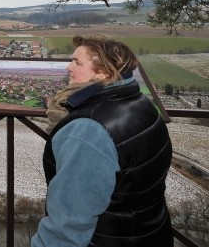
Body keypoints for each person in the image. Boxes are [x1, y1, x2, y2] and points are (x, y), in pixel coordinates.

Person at [32, 35, 173, 247]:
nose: (68, 67)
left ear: (104, 72)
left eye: (77, 62)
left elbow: (68, 225)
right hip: (150, 232)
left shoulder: (88, 130)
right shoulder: (139, 102)